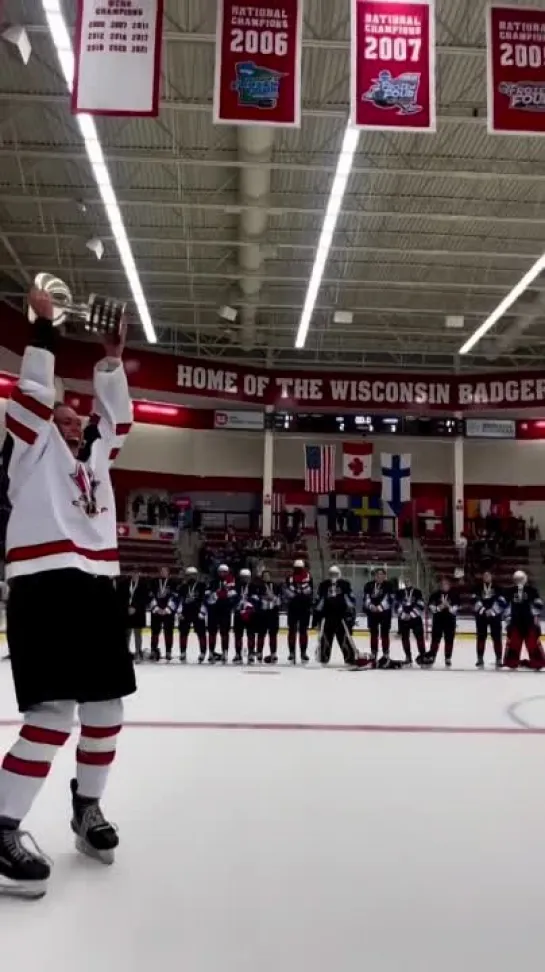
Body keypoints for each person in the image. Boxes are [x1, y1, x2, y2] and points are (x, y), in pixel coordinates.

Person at [0, 285, 135, 899]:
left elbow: (118, 422)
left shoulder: (95, 463)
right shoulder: (28, 453)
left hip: (96, 586)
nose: (71, 417)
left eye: (76, 415)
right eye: (62, 413)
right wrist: (44, 331)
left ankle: (87, 809)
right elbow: (31, 398)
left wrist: (109, 360)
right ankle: (0, 828)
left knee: (107, 710)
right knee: (52, 716)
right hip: (46, 584)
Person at [314, 565, 356, 665]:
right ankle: (323, 658)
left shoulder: (345, 584)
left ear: (339, 574)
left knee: (344, 638)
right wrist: (317, 616)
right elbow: (318, 601)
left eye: (335, 574)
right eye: (331, 574)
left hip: (341, 616)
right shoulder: (323, 585)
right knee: (325, 638)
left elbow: (351, 601)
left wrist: (350, 614)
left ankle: (350, 658)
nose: (333, 576)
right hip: (327, 616)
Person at [503, 570, 545, 670]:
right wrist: (508, 619)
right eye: (517, 579)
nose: (519, 581)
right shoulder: (509, 591)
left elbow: (538, 605)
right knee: (513, 643)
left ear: (525, 579)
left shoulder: (532, 590)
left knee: (533, 643)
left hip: (529, 621)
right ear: (514, 580)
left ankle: (538, 662)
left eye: (521, 579)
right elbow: (505, 606)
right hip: (515, 621)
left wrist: (535, 618)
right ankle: (511, 662)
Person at [471, 570, 505, 669]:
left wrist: (493, 611)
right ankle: (480, 658)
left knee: (497, 638)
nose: (486, 577)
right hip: (481, 616)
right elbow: (474, 600)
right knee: (481, 637)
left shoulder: (498, 588)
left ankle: (499, 659)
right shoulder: (477, 588)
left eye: (488, 575)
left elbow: (502, 601)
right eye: (485, 575)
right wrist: (484, 610)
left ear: (491, 576)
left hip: (495, 616)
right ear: (482, 577)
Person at [206, 563, 237, 663]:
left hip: (225, 611)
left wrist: (227, 595)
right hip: (213, 611)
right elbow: (206, 595)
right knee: (212, 633)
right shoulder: (212, 582)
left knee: (225, 633)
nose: (222, 573)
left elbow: (234, 596)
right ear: (217, 572)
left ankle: (225, 652)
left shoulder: (231, 583)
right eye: (220, 571)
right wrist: (213, 596)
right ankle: (211, 652)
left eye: (225, 572)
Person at [426, 577, 460, 668]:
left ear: (449, 585)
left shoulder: (454, 595)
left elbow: (456, 608)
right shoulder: (435, 595)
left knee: (449, 640)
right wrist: (438, 607)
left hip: (450, 621)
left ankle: (448, 658)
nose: (444, 585)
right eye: (443, 584)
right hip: (438, 620)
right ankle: (432, 656)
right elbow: (430, 606)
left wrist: (448, 606)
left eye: (446, 584)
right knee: (435, 640)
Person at [176, 566, 207, 663]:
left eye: (193, 575)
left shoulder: (202, 586)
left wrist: (202, 612)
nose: (191, 577)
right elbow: (179, 601)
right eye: (189, 575)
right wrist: (179, 612)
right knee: (183, 632)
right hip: (185, 612)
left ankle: (202, 652)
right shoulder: (183, 587)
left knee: (201, 633)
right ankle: (183, 652)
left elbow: (205, 600)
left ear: (196, 575)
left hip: (198, 612)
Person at [285, 559, 313, 664]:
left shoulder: (309, 577)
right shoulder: (289, 578)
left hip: (304, 607)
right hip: (293, 607)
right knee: (291, 630)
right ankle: (291, 652)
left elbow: (310, 591)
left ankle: (303, 652)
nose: (298, 570)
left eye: (299, 568)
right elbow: (287, 591)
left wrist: (300, 592)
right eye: (296, 568)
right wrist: (297, 593)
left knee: (303, 631)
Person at [118, 569, 148, 663]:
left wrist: (135, 607)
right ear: (131, 574)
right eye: (133, 573)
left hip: (138, 613)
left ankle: (138, 653)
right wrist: (127, 607)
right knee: (127, 633)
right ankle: (125, 653)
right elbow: (120, 598)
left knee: (137, 634)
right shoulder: (124, 584)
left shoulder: (144, 585)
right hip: (127, 613)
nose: (135, 575)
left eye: (137, 573)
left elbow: (145, 599)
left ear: (139, 574)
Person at [363, 568, 393, 662]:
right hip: (372, 613)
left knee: (384, 634)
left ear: (384, 576)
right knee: (373, 634)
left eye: (381, 574)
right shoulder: (368, 585)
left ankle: (385, 654)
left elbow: (390, 599)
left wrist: (380, 607)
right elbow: (366, 598)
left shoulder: (389, 585)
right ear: (374, 576)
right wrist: (371, 606)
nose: (379, 576)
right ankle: (373, 653)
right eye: (377, 574)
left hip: (385, 613)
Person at [149, 566, 177, 662]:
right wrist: (156, 609)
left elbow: (174, 597)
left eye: (165, 571)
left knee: (168, 632)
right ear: (159, 572)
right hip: (156, 611)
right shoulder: (154, 582)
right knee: (155, 631)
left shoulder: (173, 583)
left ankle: (168, 651)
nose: (163, 572)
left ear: (168, 573)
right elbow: (151, 596)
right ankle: (153, 650)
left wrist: (167, 609)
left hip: (168, 612)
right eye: (162, 571)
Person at [395, 579, 426, 666]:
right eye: (406, 581)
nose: (407, 582)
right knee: (405, 638)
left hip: (415, 618)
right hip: (403, 619)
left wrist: (411, 614)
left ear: (412, 582)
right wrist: (404, 615)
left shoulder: (417, 592)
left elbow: (421, 605)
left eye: (409, 580)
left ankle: (423, 656)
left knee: (420, 637)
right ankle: (408, 657)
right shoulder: (399, 592)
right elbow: (396, 605)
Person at [255, 569, 282, 664]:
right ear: (262, 577)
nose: (266, 577)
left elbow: (279, 599)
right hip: (262, 614)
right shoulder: (258, 586)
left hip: (273, 613)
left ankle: (273, 653)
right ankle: (259, 652)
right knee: (261, 634)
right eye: (264, 575)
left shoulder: (275, 586)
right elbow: (256, 599)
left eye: (268, 575)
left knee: (273, 634)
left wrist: (274, 599)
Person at [233, 567, 259, 664]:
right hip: (238, 613)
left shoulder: (253, 587)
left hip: (250, 614)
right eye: (243, 577)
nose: (245, 579)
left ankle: (251, 653)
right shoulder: (236, 586)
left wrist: (249, 606)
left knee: (251, 635)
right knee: (238, 635)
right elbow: (232, 598)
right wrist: (238, 604)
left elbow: (256, 599)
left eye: (246, 577)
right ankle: (238, 654)